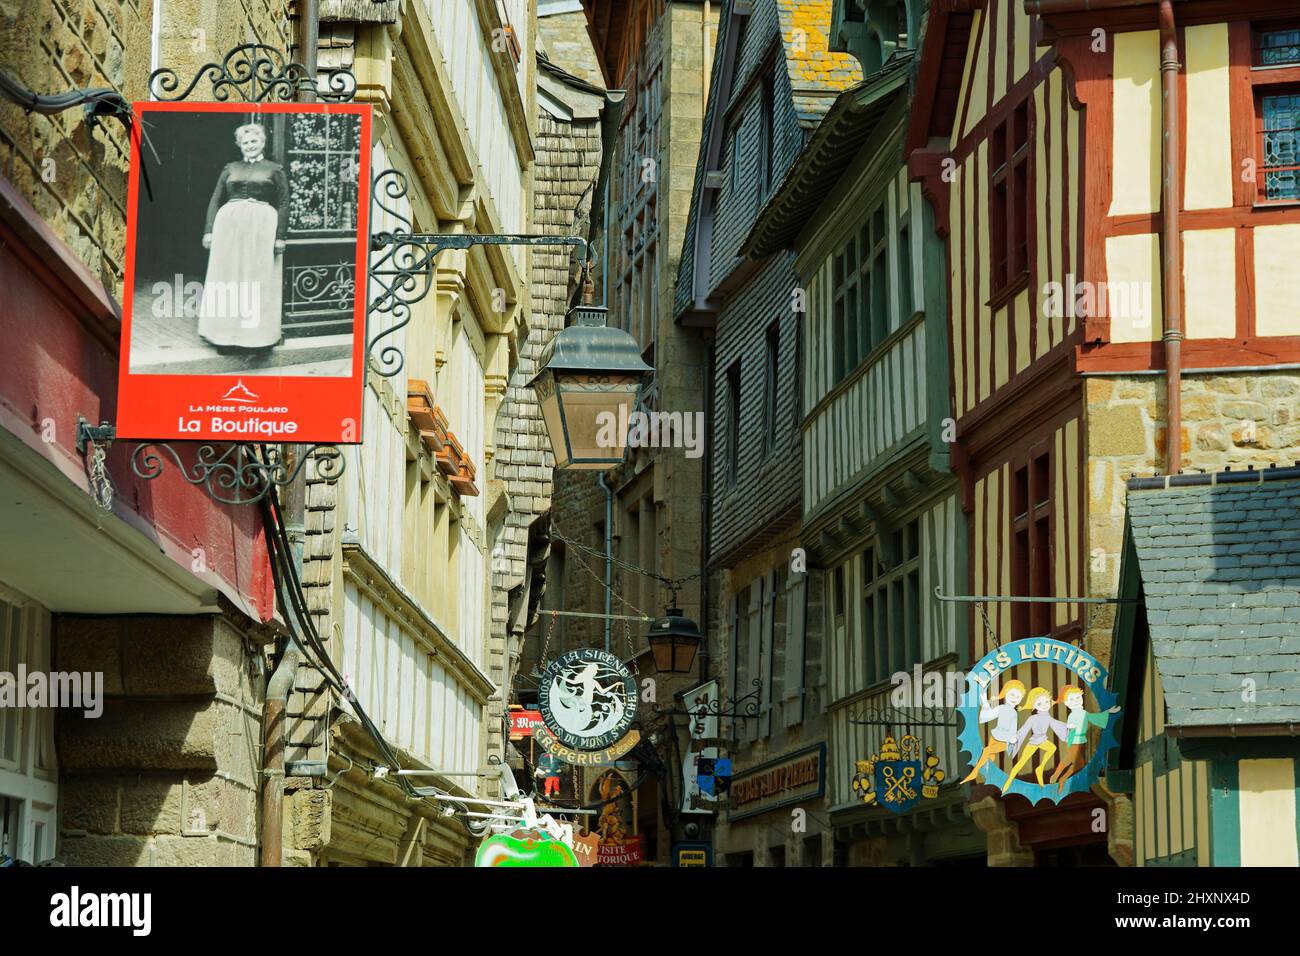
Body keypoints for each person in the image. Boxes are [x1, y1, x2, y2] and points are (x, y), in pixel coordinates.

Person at [198, 123, 288, 354]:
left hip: (262, 229)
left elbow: (284, 203)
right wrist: (209, 230)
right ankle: (225, 337)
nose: (250, 145)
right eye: (246, 142)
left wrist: (280, 237)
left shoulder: (274, 169)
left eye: (254, 141)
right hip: (229, 227)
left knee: (257, 280)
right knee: (228, 279)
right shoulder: (230, 168)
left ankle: (257, 339)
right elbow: (215, 199)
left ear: (262, 143)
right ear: (240, 145)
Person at [1050, 685, 1121, 792]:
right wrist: (1070, 742)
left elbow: (1096, 718)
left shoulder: (1084, 713)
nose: (1076, 701)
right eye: (1072, 699)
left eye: (1077, 698)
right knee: (1069, 760)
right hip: (1074, 741)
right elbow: (1071, 730)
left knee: (1079, 764)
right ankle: (1057, 777)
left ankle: (1061, 778)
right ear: (1067, 703)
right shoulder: (1073, 715)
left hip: (1080, 742)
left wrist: (1109, 712)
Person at [1001, 686, 1069, 793]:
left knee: (1052, 748)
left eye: (1046, 702)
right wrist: (1015, 738)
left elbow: (1057, 724)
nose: (1044, 705)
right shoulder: (1032, 718)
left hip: (1043, 741)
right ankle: (1008, 782)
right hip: (1033, 742)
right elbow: (1024, 730)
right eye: (1039, 703)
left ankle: (1040, 768)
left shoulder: (1048, 717)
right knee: (1021, 762)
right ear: (1034, 705)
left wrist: (1068, 727)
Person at [960, 679, 1026, 784]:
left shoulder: (1014, 713)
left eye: (1018, 697)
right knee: (990, 757)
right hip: (995, 736)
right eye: (1012, 695)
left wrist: (1012, 739)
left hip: (1005, 740)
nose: (1014, 698)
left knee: (986, 751)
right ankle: (985, 777)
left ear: (1021, 699)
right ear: (1005, 693)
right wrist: (985, 702)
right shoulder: (1001, 707)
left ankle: (974, 773)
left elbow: (1013, 730)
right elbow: (987, 716)